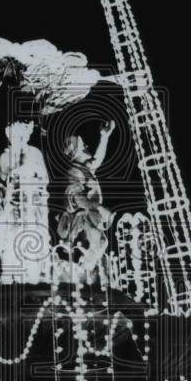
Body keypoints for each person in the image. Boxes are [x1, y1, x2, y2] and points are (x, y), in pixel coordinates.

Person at [0, 120, 51, 283]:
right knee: (13, 234)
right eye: (14, 136)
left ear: (27, 134)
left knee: (36, 235)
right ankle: (12, 277)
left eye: (21, 135)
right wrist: (0, 194)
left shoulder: (35, 153)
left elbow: (44, 179)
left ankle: (36, 276)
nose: (17, 138)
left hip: (34, 201)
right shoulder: (5, 156)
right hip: (14, 201)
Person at [57, 121, 117, 282]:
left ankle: (85, 274)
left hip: (89, 216)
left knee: (96, 245)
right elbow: (76, 196)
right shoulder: (74, 171)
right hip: (81, 219)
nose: (87, 146)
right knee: (96, 243)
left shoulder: (84, 168)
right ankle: (81, 275)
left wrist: (105, 136)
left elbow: (97, 160)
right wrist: (98, 207)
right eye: (83, 146)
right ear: (75, 152)